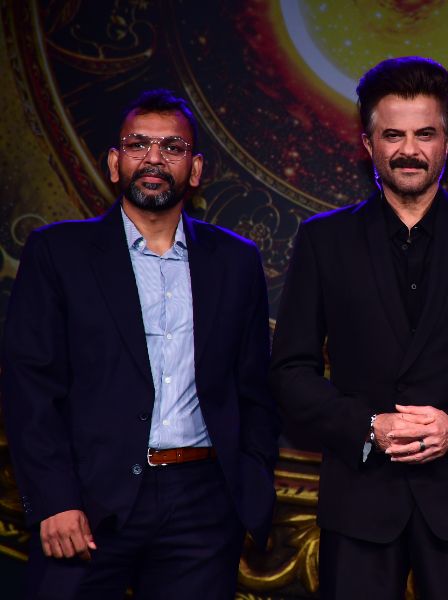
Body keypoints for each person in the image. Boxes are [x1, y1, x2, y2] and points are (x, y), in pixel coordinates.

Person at [269, 57, 448, 599]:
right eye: (392, 134)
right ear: (367, 143)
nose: (409, 149)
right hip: (360, 502)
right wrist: (367, 426)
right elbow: (290, 371)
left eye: (425, 134)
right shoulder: (324, 241)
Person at [2, 89, 279, 599]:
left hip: (202, 506)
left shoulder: (235, 261)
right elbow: (30, 388)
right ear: (115, 162)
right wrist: (54, 497)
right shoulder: (58, 253)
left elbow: (254, 386)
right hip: (85, 501)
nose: (154, 158)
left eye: (172, 147)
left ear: (195, 170)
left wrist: (249, 482)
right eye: (138, 144)